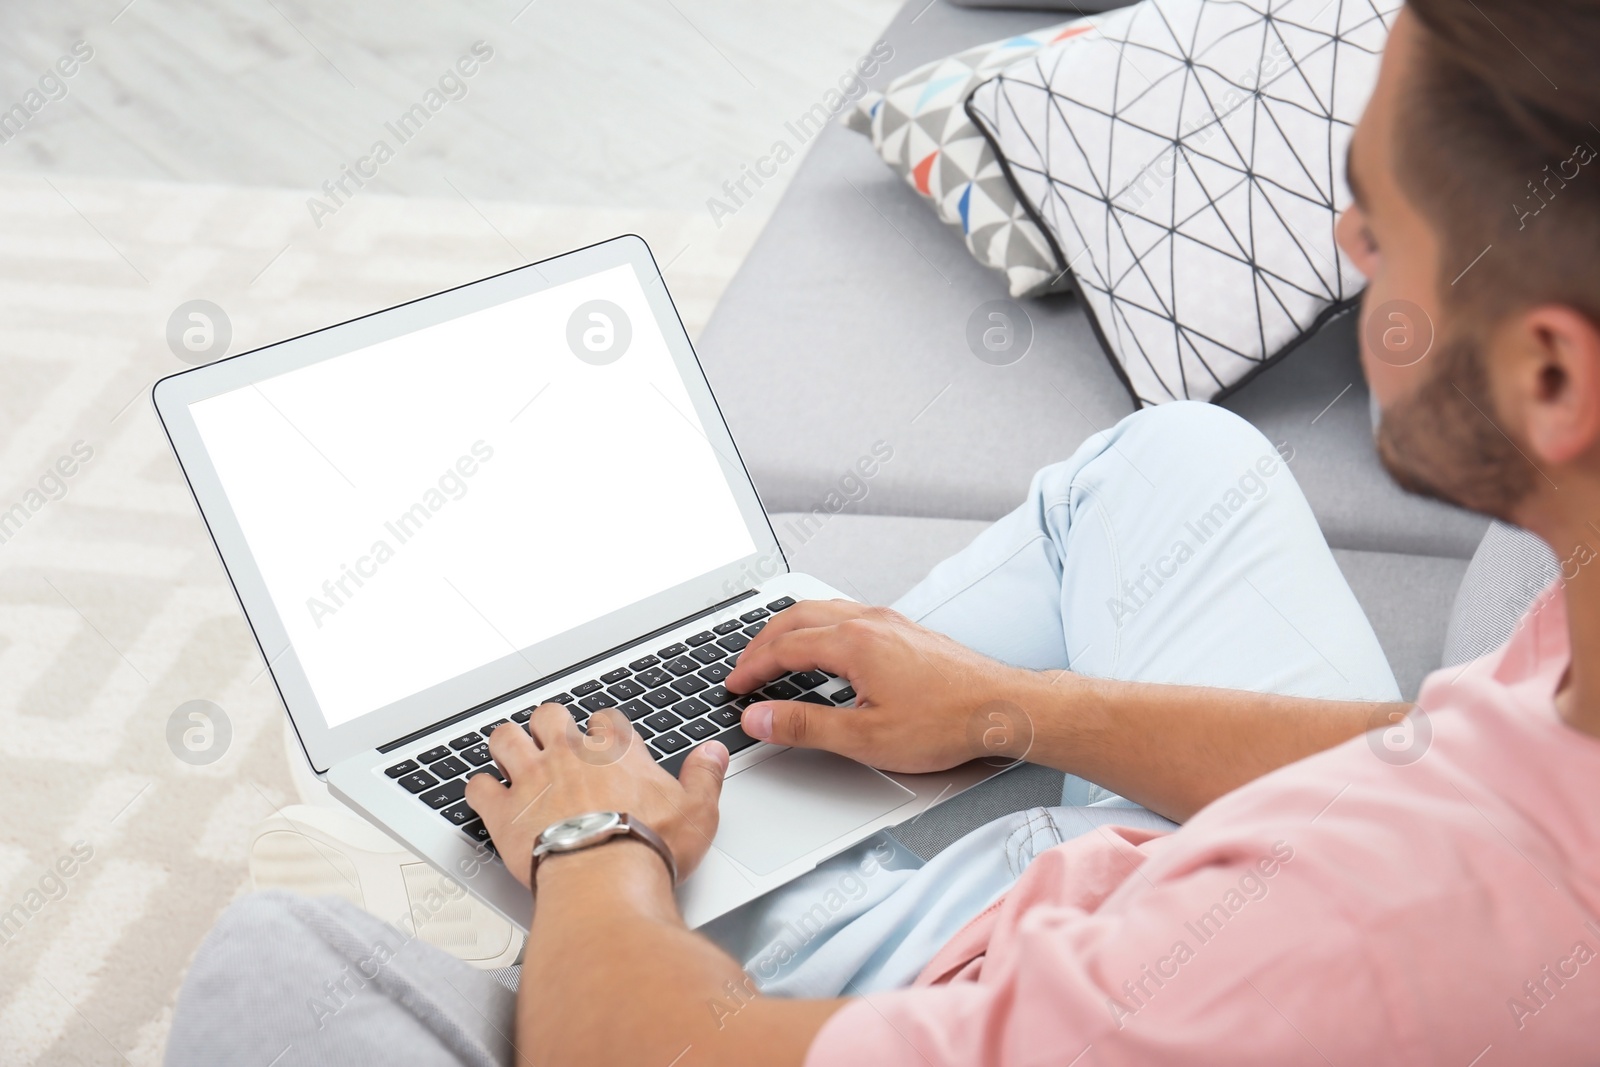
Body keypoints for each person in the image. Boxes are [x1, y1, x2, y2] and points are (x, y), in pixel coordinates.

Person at [166, 1, 1600, 1063]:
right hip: (1135, 892)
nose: (1351, 255)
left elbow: (639, 1055)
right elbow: (1425, 752)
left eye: (1379, 222)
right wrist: (1013, 708)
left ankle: (744, 850)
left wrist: (597, 840)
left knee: (270, 970)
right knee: (1175, 464)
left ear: (1550, 375)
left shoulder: (1331, 945)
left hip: (1004, 978)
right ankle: (801, 771)